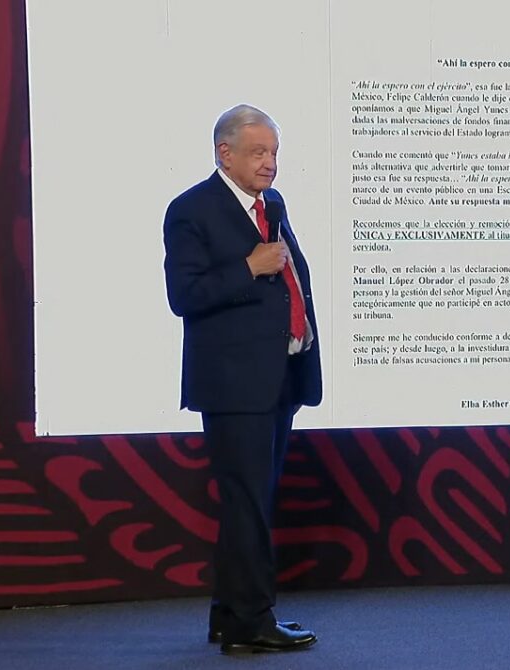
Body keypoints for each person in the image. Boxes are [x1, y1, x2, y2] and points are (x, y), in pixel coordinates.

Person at [163, 104, 322, 653]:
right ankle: (252, 621)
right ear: (224, 153)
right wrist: (249, 268)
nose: (270, 163)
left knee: (249, 502)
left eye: (274, 152)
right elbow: (184, 295)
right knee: (247, 503)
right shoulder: (191, 209)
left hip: (277, 378)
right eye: (258, 152)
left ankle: (229, 614)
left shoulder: (271, 205)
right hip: (233, 385)